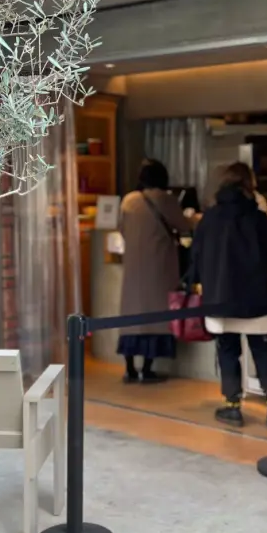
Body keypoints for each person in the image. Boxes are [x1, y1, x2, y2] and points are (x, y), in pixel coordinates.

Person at [190, 162, 267, 429]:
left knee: (227, 350)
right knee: (262, 349)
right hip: (255, 296)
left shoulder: (210, 218)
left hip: (220, 296)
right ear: (247, 185)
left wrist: (200, 281)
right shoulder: (258, 218)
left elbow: (196, 255)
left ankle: (232, 407)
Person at [117, 159, 193, 385]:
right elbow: (184, 226)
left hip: (133, 266)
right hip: (158, 266)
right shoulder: (166, 200)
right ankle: (147, 370)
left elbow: (121, 228)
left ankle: (130, 369)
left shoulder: (129, 201)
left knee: (131, 316)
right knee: (155, 315)